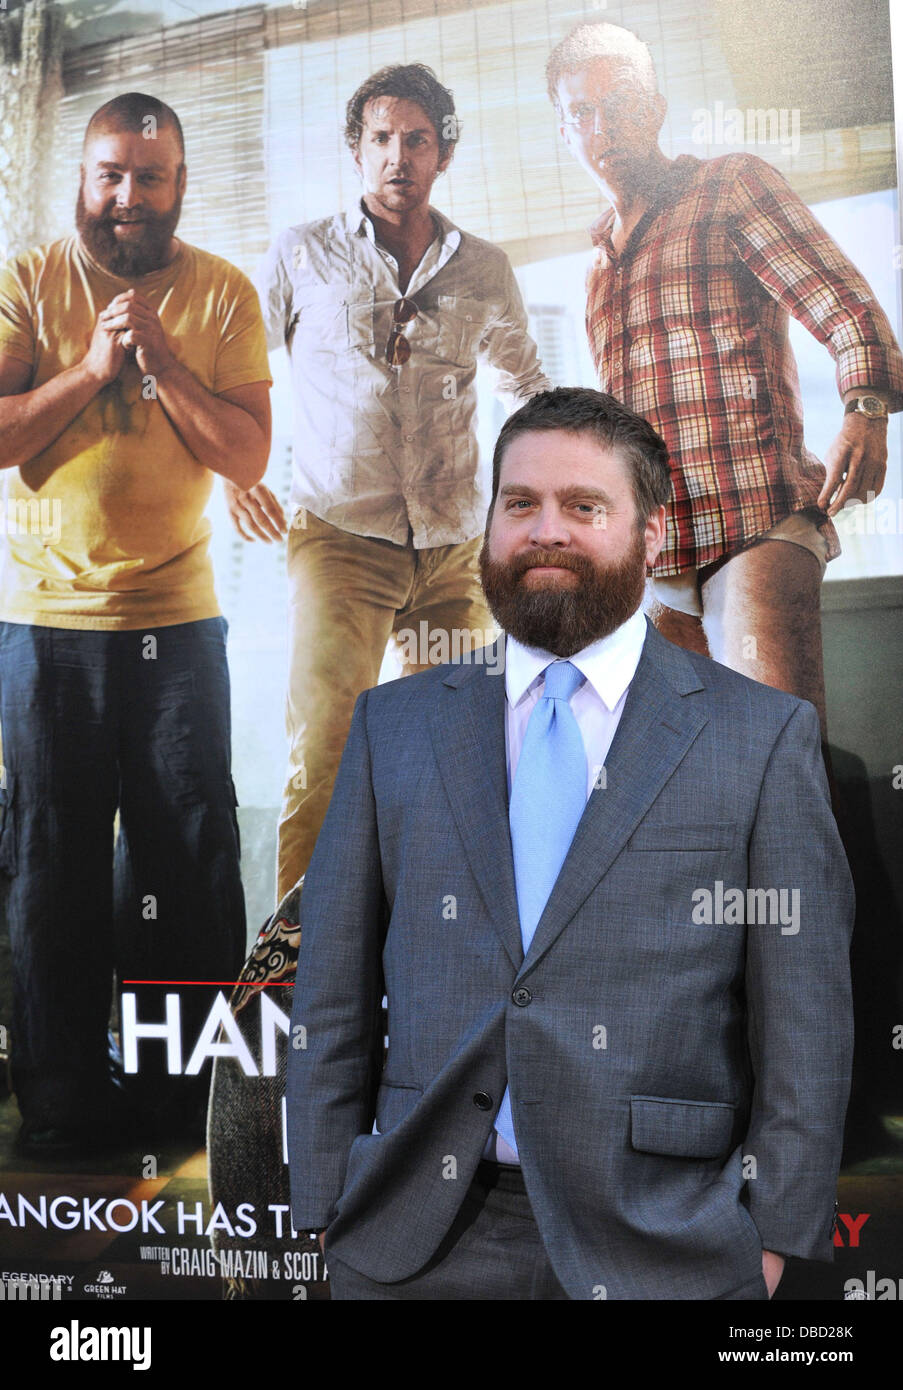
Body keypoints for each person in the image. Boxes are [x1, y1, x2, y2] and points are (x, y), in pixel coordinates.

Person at [285, 386, 854, 1301]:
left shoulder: (759, 736)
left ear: (650, 537)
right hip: (408, 1241)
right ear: (489, 526)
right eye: (520, 504)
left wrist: (773, 1232)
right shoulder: (394, 727)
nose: (545, 530)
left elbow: (806, 1016)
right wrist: (323, 1205)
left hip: (666, 1242)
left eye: (583, 506)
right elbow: (333, 987)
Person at [0, 92, 272, 1154]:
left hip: (177, 620)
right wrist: (96, 367)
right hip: (45, 623)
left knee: (190, 858)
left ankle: (185, 1095)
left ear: (179, 185)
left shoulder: (221, 294)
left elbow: (245, 455)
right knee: (51, 858)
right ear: (82, 173)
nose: (125, 197)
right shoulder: (28, 281)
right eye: (109, 173)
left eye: (147, 178)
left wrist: (161, 359)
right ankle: (63, 1105)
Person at [227, 63, 549, 902]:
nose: (396, 156)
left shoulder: (484, 268)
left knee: (462, 759)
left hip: (453, 549)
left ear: (442, 152)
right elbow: (228, 369)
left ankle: (432, 960)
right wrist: (234, 473)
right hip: (338, 541)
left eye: (416, 139)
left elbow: (529, 390)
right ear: (354, 150)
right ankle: (295, 980)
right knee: (324, 754)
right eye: (379, 139)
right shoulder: (303, 253)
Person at [546, 20, 903, 749]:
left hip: (755, 524)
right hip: (656, 563)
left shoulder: (728, 185)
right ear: (565, 132)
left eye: (619, 102)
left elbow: (841, 301)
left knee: (777, 766)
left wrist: (865, 407)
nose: (602, 125)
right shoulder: (596, 273)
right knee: (696, 794)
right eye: (581, 112)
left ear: (656, 106)